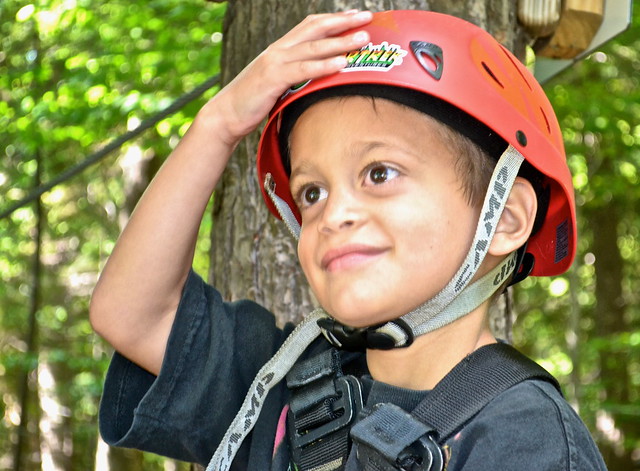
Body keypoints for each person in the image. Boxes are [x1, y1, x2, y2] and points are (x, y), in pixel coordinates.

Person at [90, 9, 607, 471]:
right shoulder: (280, 385)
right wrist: (219, 124)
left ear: (505, 217)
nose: (334, 213)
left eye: (379, 174)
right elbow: (133, 314)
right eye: (311, 192)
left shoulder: (526, 438)